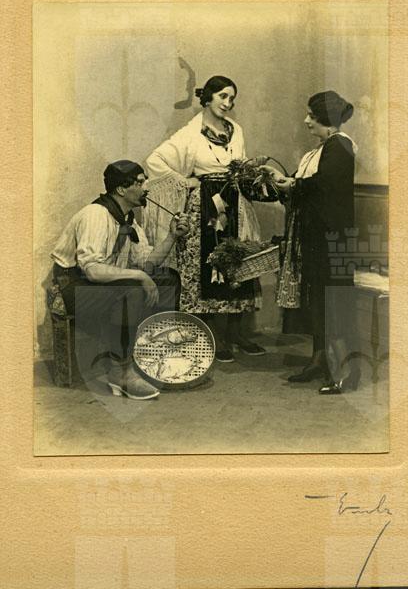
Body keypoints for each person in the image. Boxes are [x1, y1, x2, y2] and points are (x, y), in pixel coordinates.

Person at [144, 75, 266, 362]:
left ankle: (236, 332)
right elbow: (154, 161)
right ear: (208, 97)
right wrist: (185, 181)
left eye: (232, 98)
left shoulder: (236, 130)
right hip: (205, 208)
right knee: (206, 265)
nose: (228, 103)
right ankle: (213, 335)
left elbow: (240, 163)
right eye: (223, 96)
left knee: (238, 263)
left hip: (235, 205)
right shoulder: (190, 133)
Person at [51, 159, 189, 400]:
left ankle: (155, 355)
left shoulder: (128, 220)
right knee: (132, 289)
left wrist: (171, 236)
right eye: (140, 183)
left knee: (170, 279)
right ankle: (120, 373)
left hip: (102, 284)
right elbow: (92, 270)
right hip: (73, 287)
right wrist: (139, 276)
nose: (146, 188)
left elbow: (147, 263)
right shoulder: (96, 215)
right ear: (121, 189)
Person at [263, 90, 358, 394]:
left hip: (332, 238)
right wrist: (281, 180)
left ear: (326, 119)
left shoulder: (340, 145)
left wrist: (292, 184)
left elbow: (323, 185)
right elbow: (302, 184)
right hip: (317, 238)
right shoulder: (319, 151)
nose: (306, 121)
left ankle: (347, 371)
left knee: (334, 302)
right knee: (318, 300)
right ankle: (320, 360)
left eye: (311, 116)